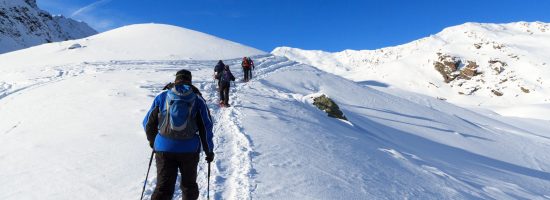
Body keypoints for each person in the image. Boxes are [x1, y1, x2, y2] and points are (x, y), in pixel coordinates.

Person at [143, 69, 214, 200]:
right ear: (190, 80)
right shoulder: (197, 99)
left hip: (164, 147)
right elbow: (206, 127)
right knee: (189, 186)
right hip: (189, 150)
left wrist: (154, 142)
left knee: (163, 187)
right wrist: (209, 151)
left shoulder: (163, 96)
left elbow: (148, 123)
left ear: (176, 80)